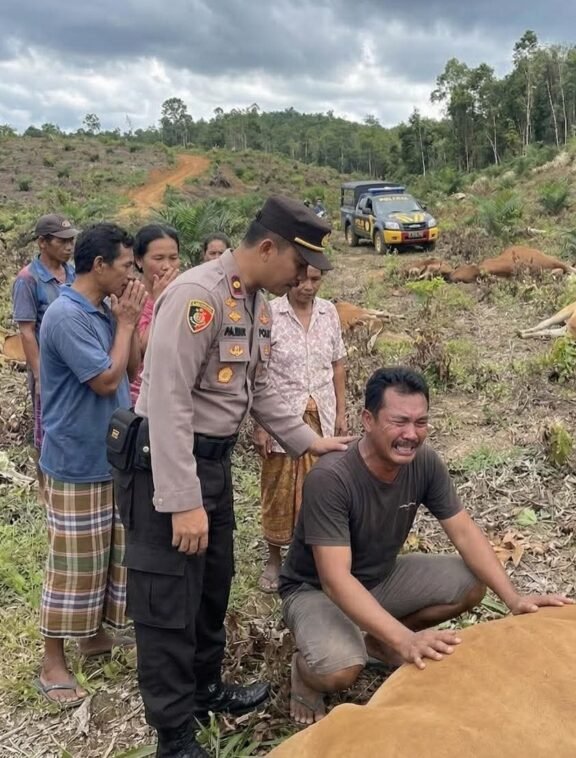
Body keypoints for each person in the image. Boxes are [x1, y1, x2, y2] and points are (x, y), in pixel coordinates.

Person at [123, 196, 353, 758]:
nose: (304, 278)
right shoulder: (198, 297)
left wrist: (308, 440)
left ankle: (204, 688)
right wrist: (181, 500)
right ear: (269, 248)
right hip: (169, 464)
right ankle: (173, 734)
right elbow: (169, 400)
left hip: (214, 464)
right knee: (168, 601)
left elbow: (258, 390)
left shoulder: (249, 300)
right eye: (299, 267)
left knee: (210, 587)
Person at [279, 367, 572, 726]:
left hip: (380, 578)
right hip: (316, 591)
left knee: (468, 583)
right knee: (339, 670)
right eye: (399, 422)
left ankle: (377, 642)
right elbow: (335, 580)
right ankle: (305, 673)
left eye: (421, 422)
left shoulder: (425, 463)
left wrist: (514, 599)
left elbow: (464, 532)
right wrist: (406, 639)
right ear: (367, 420)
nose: (410, 435)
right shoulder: (332, 478)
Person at [36, 222, 146, 706]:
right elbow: (105, 380)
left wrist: (133, 321)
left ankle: (94, 637)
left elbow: (134, 368)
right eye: (126, 265)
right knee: (73, 565)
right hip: (75, 461)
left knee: (107, 556)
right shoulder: (66, 315)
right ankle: (51, 663)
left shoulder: (104, 308)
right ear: (99, 266)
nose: (132, 273)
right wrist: (125, 325)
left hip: (109, 456)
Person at [253, 265, 347, 593]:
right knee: (277, 489)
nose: (307, 286)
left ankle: (314, 559)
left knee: (321, 489)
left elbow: (337, 365)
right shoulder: (270, 313)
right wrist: (261, 426)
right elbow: (258, 372)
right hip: (282, 419)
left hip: (322, 416)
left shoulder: (329, 312)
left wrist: (341, 413)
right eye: (301, 278)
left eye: (315, 279)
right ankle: (275, 559)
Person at [11, 214, 78, 493]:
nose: (68, 246)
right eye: (62, 241)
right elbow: (27, 331)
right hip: (48, 369)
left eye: (71, 240)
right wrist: (39, 375)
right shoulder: (28, 279)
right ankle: (44, 489)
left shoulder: (74, 273)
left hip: (75, 365)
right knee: (44, 429)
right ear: (42, 242)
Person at [129, 224, 181, 404]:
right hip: (139, 399)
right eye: (158, 258)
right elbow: (144, 349)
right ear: (139, 260)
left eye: (173, 258)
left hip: (174, 398)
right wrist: (161, 302)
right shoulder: (131, 296)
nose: (167, 266)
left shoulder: (186, 296)